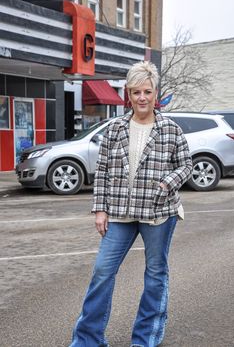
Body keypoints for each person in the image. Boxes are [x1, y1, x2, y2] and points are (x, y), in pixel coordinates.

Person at [69, 61, 193, 347]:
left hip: (158, 214)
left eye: (147, 91)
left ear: (155, 93)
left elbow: (186, 165)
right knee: (102, 271)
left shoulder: (170, 130)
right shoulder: (115, 129)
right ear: (128, 93)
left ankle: (145, 338)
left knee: (155, 274)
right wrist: (100, 209)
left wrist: (166, 184)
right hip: (120, 214)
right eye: (136, 91)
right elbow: (102, 171)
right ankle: (88, 339)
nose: (141, 97)